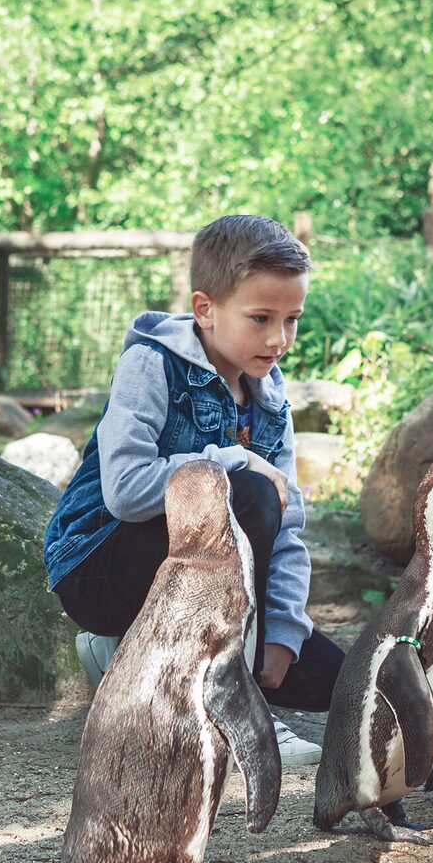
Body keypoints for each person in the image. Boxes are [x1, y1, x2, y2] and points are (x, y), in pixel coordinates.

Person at [42, 214, 344, 765]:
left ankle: (132, 660)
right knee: (246, 490)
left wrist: (280, 630)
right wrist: (233, 458)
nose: (279, 339)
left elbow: (289, 525)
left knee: (335, 680)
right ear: (204, 309)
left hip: (201, 589)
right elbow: (127, 490)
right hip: (102, 569)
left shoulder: (270, 399)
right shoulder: (150, 364)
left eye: (292, 320)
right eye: (260, 318)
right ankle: (232, 708)